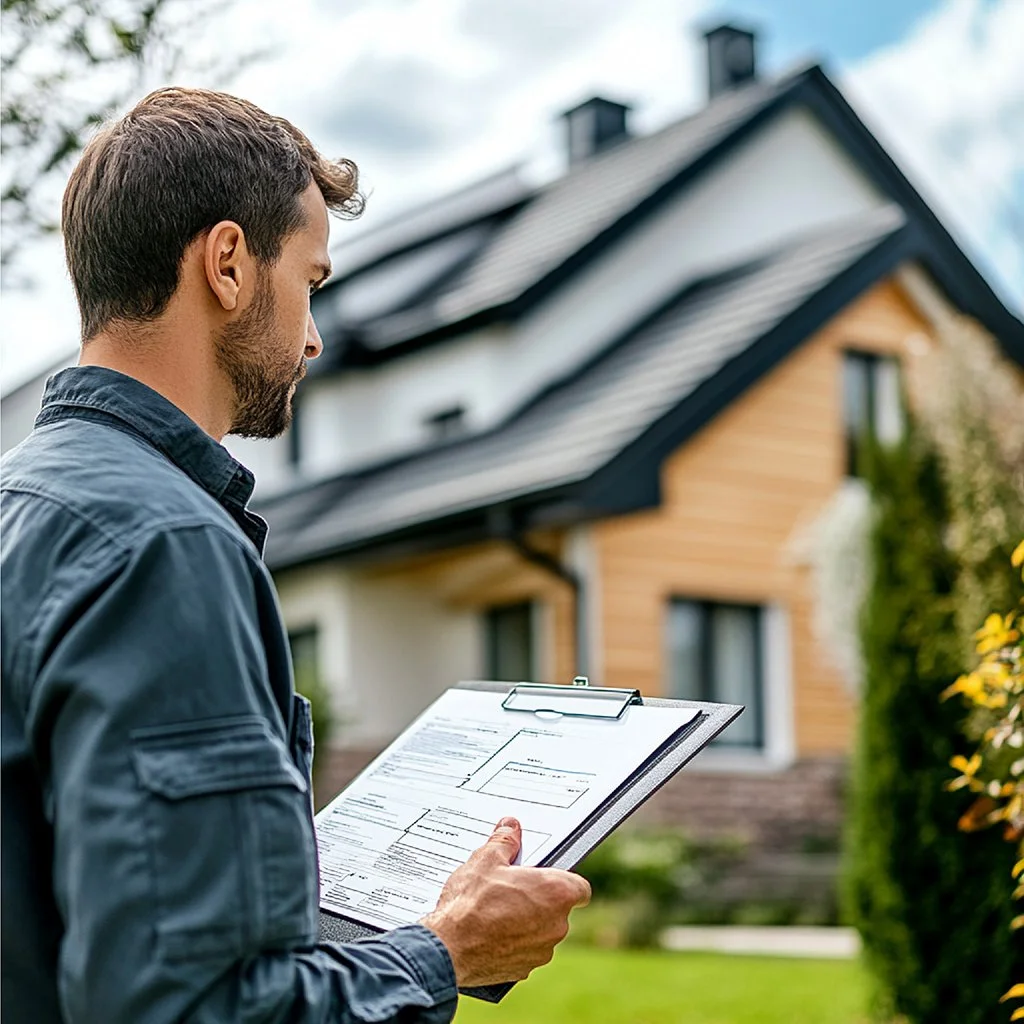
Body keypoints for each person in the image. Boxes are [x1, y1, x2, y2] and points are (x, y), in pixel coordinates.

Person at [0, 87, 591, 1024]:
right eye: (310, 282)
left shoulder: (21, 506)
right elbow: (193, 1007)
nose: (314, 335)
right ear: (228, 264)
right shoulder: (165, 547)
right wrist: (444, 954)